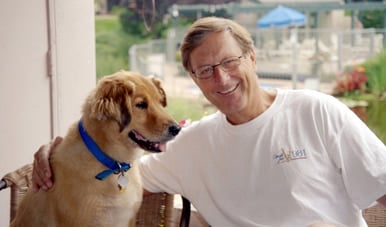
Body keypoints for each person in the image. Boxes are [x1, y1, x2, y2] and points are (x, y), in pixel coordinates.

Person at [32, 17, 386, 226]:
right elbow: (114, 164)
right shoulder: (192, 144)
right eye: (206, 70)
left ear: (252, 57)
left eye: (230, 62)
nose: (222, 78)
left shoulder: (317, 111)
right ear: (195, 80)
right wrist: (54, 154)